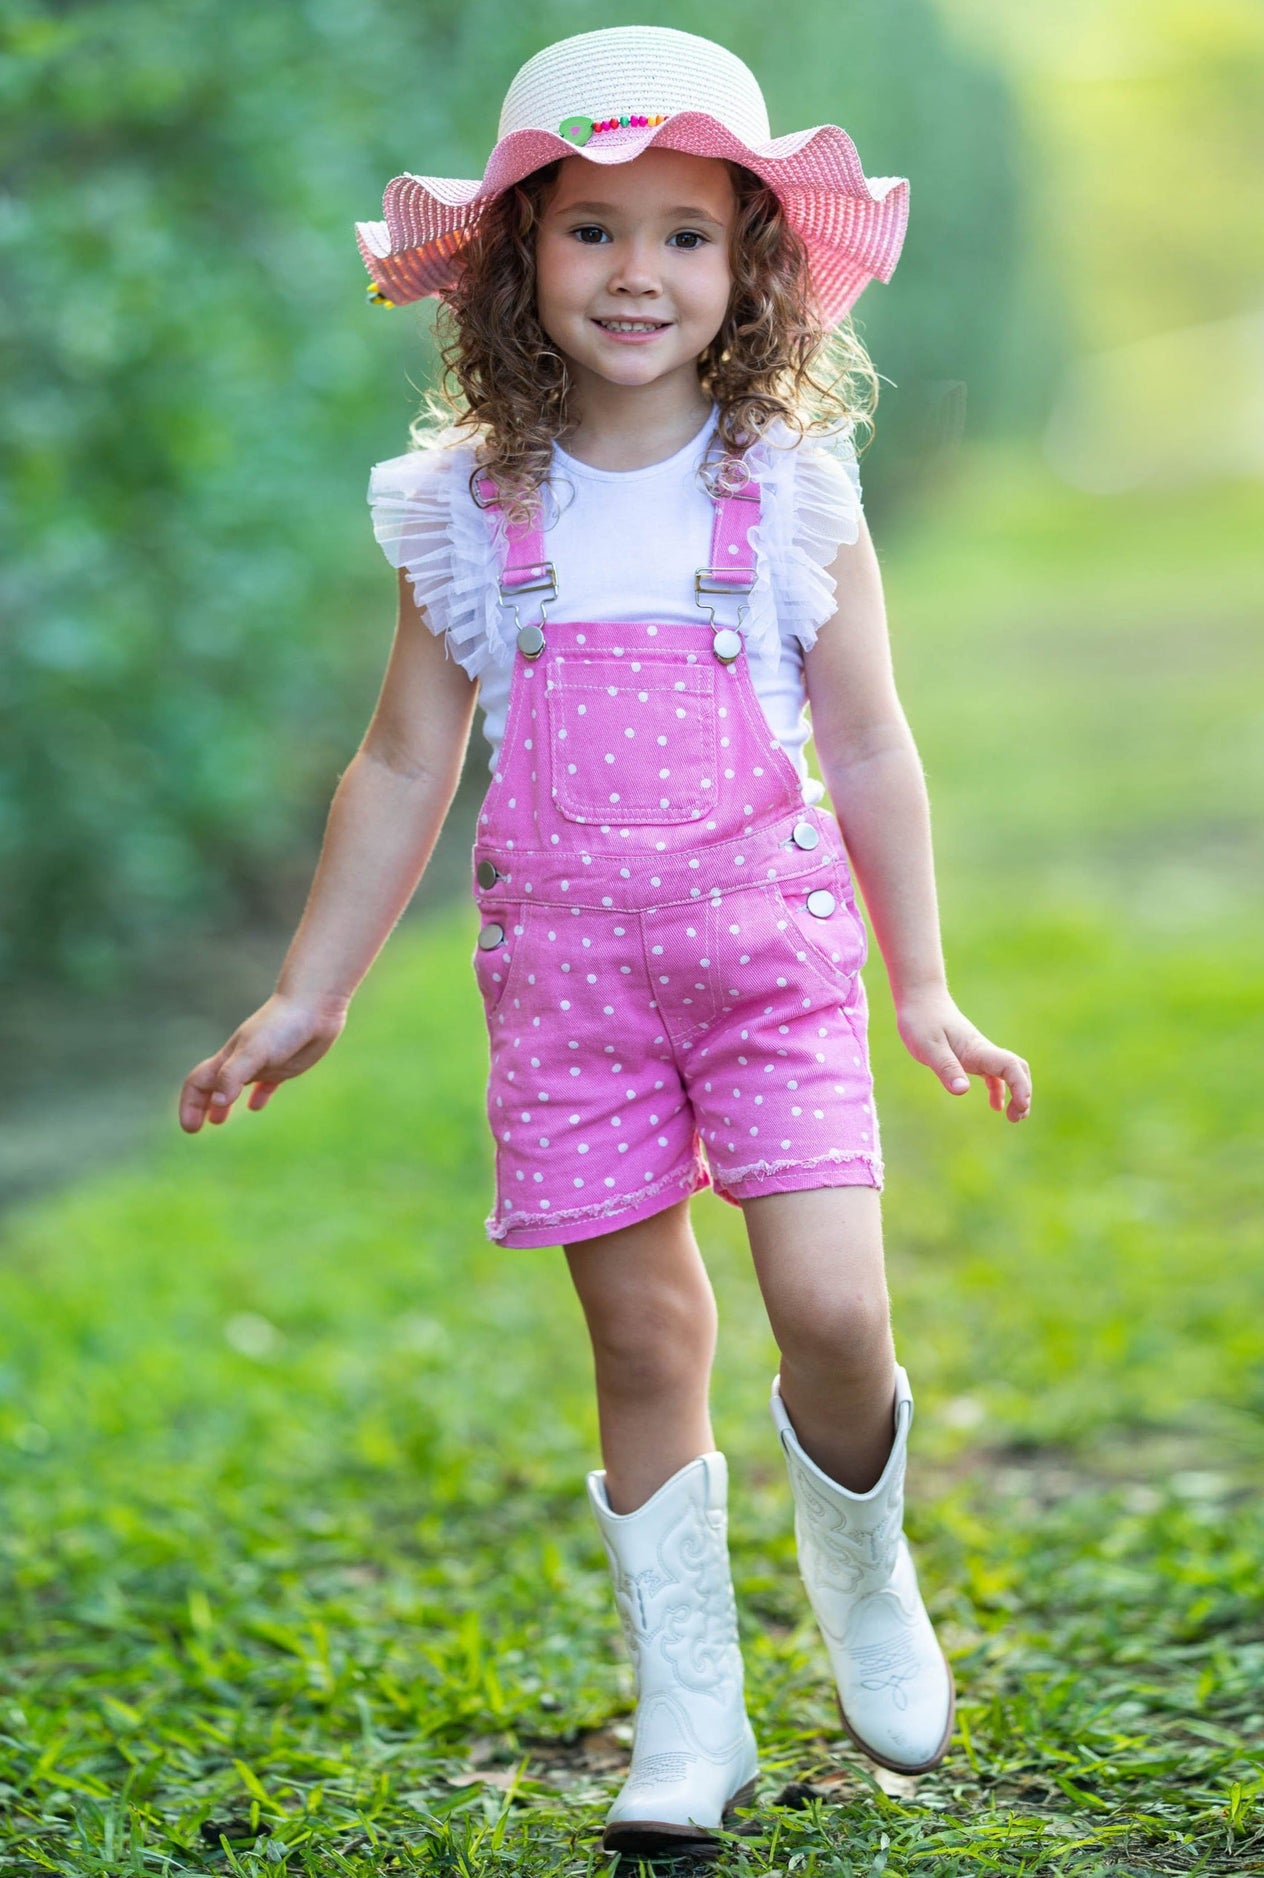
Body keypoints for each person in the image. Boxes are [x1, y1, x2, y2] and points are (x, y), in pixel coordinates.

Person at [178, 24, 1032, 1859]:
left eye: (684, 233)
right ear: (515, 257)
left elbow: (873, 742)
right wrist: (307, 986)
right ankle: (692, 1706)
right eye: (589, 231)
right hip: (570, 986)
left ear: (749, 264)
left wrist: (929, 982)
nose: (636, 273)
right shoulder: (462, 509)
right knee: (644, 1338)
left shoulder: (791, 486)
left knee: (831, 1305)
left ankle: (864, 1566)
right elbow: (407, 756)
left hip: (771, 962)